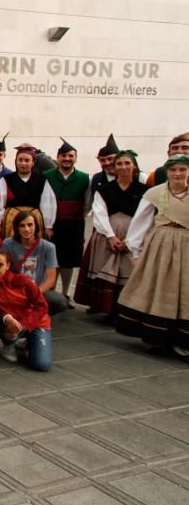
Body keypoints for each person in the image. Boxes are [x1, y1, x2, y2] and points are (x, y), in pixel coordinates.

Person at [116, 154, 189, 357]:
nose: (177, 173)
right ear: (167, 172)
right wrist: (136, 251)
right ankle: (156, 337)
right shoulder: (155, 193)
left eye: (182, 169)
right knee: (159, 289)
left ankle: (181, 339)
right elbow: (140, 222)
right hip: (161, 247)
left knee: (184, 293)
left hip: (187, 248)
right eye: (173, 170)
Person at [76, 150, 147, 318]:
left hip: (133, 235)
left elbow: (145, 217)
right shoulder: (105, 189)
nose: (123, 167)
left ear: (134, 166)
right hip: (108, 236)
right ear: (115, 168)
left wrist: (131, 241)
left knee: (128, 272)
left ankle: (126, 310)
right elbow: (99, 213)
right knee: (106, 271)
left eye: (127, 163)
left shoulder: (144, 190)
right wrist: (110, 236)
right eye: (119, 164)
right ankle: (106, 308)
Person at [0, 249, 53, 371]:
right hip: (10, 325)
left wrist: (25, 324)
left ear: (7, 265)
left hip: (37, 323)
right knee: (3, 323)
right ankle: (12, 343)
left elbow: (42, 306)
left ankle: (26, 343)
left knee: (42, 364)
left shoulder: (24, 281)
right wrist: (7, 318)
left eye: (0, 265)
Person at [45, 138, 89, 307]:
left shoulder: (84, 178)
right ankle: (52, 291)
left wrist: (78, 215)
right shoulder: (47, 176)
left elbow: (87, 202)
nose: (67, 159)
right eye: (63, 156)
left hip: (74, 225)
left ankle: (66, 293)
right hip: (54, 224)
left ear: (75, 158)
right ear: (58, 157)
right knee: (53, 259)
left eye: (70, 156)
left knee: (69, 261)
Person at [2, 211, 68, 315]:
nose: (26, 229)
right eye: (22, 226)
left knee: (60, 301)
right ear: (16, 228)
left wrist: (35, 293)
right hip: (14, 289)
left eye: (30, 225)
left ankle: (35, 314)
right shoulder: (8, 244)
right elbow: (4, 272)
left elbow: (51, 279)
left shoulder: (48, 247)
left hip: (37, 289)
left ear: (36, 226)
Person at [0, 143, 57, 238]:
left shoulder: (42, 180)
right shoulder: (6, 180)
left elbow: (47, 204)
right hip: (11, 223)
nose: (23, 163)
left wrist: (48, 226)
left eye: (27, 160)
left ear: (33, 163)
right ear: (16, 161)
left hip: (34, 223)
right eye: (20, 160)